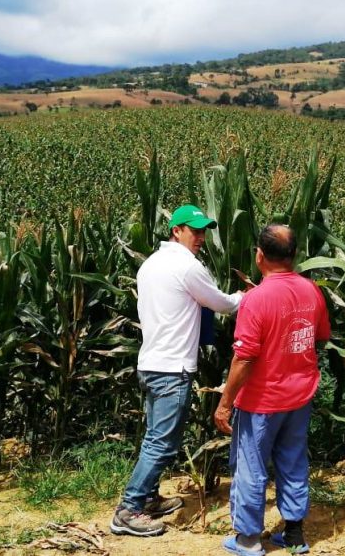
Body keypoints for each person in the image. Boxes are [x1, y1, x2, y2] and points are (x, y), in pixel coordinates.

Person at [111, 204, 244, 537]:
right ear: (176, 231)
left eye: (203, 231)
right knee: (162, 443)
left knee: (154, 437)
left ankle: (149, 497)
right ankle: (129, 509)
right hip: (172, 369)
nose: (200, 237)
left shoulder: (151, 265)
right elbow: (222, 304)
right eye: (194, 230)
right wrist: (246, 295)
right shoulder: (187, 267)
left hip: (151, 363)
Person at [214, 224, 330, 555]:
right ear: (294, 256)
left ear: (259, 255)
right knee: (292, 461)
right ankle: (294, 535)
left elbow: (244, 358)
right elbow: (319, 335)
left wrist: (225, 403)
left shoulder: (257, 298)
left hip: (262, 400)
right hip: (300, 395)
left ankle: (248, 539)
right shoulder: (312, 291)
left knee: (250, 466)